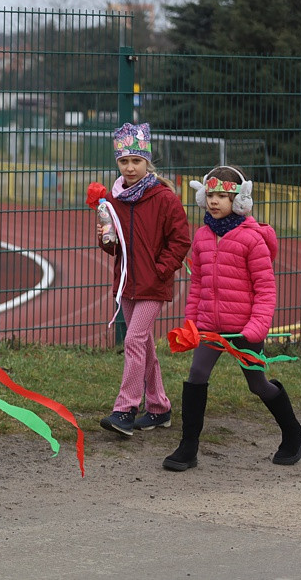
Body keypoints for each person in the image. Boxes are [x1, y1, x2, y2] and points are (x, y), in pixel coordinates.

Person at [163, 165, 301, 471]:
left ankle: (294, 433)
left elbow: (265, 289)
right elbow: (198, 285)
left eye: (222, 196)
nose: (214, 201)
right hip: (210, 330)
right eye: (211, 195)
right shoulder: (202, 237)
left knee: (258, 385)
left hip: (245, 329)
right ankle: (188, 447)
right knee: (196, 377)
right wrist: (193, 323)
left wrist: (256, 328)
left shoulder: (251, 239)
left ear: (239, 200)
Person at [97, 123, 191, 437]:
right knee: (146, 346)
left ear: (146, 162)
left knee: (134, 340)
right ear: (118, 163)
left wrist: (162, 270)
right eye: (124, 162)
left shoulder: (164, 198)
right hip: (127, 284)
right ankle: (159, 407)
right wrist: (106, 239)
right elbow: (114, 246)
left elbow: (180, 240)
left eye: (136, 161)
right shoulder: (115, 199)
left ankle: (125, 409)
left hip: (154, 285)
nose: (130, 167)